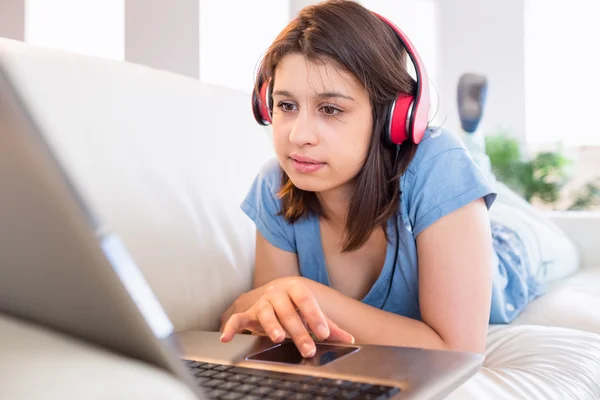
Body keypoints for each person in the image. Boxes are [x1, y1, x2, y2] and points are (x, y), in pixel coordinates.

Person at [219, 0, 542, 358]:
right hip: (444, 205)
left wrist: (306, 291)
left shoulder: (440, 166)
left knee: (508, 205)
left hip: (509, 246)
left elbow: (458, 351)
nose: (298, 136)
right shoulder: (275, 185)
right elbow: (276, 313)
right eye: (286, 106)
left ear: (391, 116)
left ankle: (473, 142)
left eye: (330, 109)